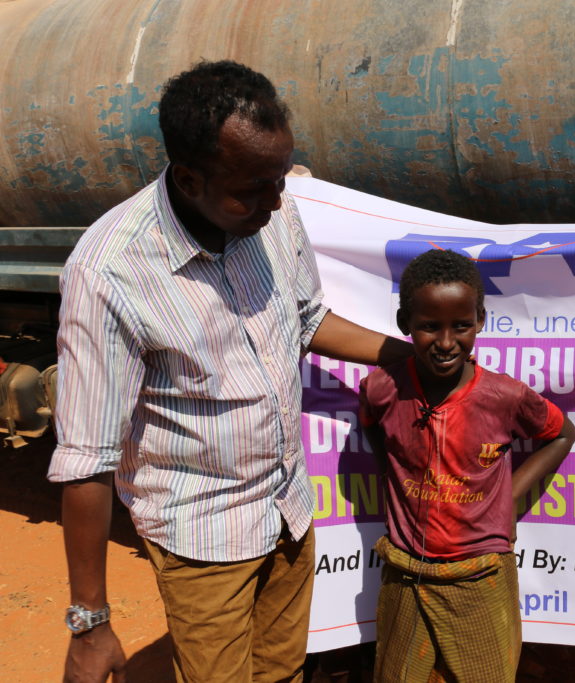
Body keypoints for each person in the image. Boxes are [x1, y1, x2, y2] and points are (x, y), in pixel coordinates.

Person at [48, 60, 410, 683]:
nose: (277, 201)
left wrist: (402, 355)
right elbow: (87, 459)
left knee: (283, 671)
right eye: (255, 188)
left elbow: (306, 318)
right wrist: (91, 622)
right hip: (202, 538)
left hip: (288, 512)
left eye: (279, 180)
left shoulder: (270, 211)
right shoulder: (109, 272)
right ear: (190, 179)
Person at [359, 249, 575, 682]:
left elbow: (561, 434)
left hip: (479, 574)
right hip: (405, 572)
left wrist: (507, 500)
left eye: (460, 326)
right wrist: (396, 478)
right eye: (429, 326)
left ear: (480, 320)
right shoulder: (382, 388)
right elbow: (373, 427)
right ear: (405, 323)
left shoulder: (503, 397)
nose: (445, 342)